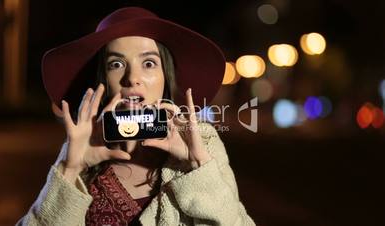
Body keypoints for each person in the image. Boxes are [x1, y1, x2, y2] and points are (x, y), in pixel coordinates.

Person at [17, 7, 256, 226]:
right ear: (103, 80)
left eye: (149, 63)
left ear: (165, 77)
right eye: (116, 64)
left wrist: (198, 167)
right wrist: (70, 169)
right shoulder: (78, 152)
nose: (132, 77)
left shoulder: (202, 144)